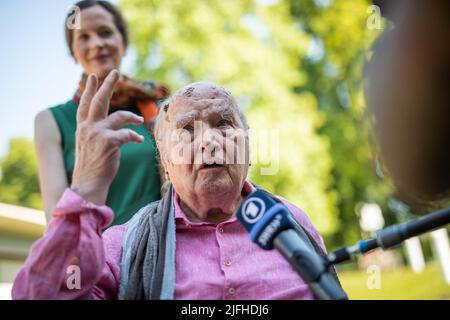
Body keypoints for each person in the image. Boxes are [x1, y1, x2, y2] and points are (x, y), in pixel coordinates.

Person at [12, 71, 341, 299]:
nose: (208, 141)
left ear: (248, 149)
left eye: (223, 124)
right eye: (188, 130)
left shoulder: (293, 221)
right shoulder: (122, 247)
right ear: (166, 164)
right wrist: (83, 190)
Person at [34, 0, 169, 225]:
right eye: (83, 37)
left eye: (105, 32)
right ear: (74, 53)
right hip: (98, 256)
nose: (96, 43)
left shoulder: (161, 109)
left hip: (165, 250)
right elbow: (55, 217)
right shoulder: (51, 121)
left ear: (123, 43)